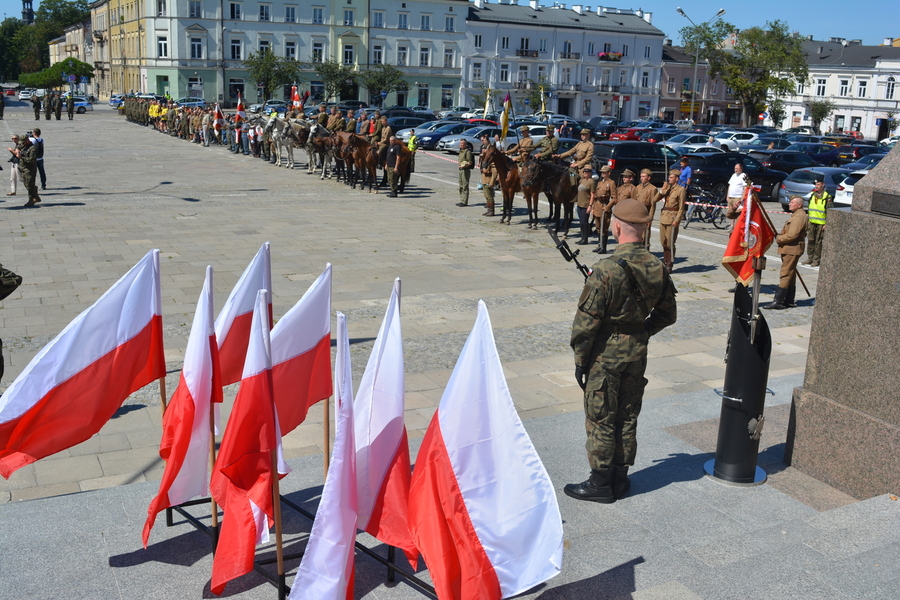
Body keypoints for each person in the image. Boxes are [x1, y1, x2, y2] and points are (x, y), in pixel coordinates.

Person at [567, 198, 678, 503]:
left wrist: (580, 361)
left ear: (615, 226)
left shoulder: (605, 269)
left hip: (605, 356)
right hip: (636, 353)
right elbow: (668, 315)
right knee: (628, 415)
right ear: (645, 229)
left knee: (601, 417)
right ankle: (620, 477)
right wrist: (640, 332)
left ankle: (600, 483)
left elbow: (586, 324)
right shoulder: (658, 267)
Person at [763, 196, 808, 310]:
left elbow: (792, 235)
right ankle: (789, 300)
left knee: (785, 273)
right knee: (791, 274)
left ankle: (778, 301)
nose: (789, 204)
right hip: (791, 248)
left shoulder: (798, 217)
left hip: (792, 248)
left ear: (799, 205)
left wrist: (779, 239)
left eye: (792, 202)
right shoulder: (797, 215)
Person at [657, 168, 687, 273]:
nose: (669, 179)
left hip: (672, 218)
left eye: (671, 177)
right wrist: (662, 190)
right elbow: (654, 199)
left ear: (676, 179)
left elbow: (681, 207)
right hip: (663, 217)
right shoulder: (667, 189)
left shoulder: (681, 190)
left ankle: (669, 264)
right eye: (669, 177)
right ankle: (665, 261)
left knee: (670, 242)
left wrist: (677, 220)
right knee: (663, 242)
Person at [804, 178, 831, 267]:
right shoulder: (812, 195)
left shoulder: (827, 196)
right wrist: (808, 219)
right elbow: (809, 208)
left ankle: (816, 259)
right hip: (812, 222)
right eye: (816, 184)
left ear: (823, 184)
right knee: (811, 240)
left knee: (818, 241)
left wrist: (827, 223)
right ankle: (810, 258)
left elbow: (829, 210)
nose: (816, 186)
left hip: (821, 223)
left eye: (818, 184)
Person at [592, 165, 617, 253]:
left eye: (604, 172)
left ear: (609, 173)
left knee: (604, 228)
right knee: (598, 227)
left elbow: (614, 198)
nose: (602, 174)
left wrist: (608, 207)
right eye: (601, 172)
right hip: (597, 206)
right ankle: (600, 245)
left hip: (604, 207)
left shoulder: (611, 183)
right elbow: (596, 196)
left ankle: (604, 247)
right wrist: (593, 208)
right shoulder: (600, 182)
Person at [633, 169, 660, 250]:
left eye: (644, 176)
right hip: (638, 214)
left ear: (649, 178)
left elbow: (653, 205)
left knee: (645, 234)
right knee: (637, 234)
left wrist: (650, 218)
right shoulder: (638, 187)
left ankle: (646, 251)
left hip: (646, 214)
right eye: (641, 176)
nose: (641, 178)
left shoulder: (652, 189)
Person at [14, 137, 41, 207]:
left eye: (23, 142)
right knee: (26, 184)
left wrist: (21, 157)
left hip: (30, 169)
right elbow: (18, 147)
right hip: (23, 168)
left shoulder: (33, 148)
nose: (22, 144)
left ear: (27, 141)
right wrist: (16, 150)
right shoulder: (24, 146)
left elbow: (31, 159)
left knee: (29, 185)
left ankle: (31, 200)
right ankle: (35, 194)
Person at [576, 167, 597, 245]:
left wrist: (590, 205)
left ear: (590, 173)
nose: (585, 173)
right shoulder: (582, 180)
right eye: (584, 172)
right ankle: (582, 237)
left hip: (586, 204)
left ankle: (585, 238)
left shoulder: (591, 182)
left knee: (585, 222)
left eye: (587, 172)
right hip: (579, 204)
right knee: (581, 222)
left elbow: (592, 194)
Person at [478, 133, 497, 216]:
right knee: (486, 194)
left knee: (489, 195)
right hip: (484, 177)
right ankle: (489, 209)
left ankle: (491, 211)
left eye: (484, 140)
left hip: (489, 178)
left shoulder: (492, 160)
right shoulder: (484, 152)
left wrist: (492, 182)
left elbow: (494, 171)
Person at [457, 139, 474, 207]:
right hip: (461, 169)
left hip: (465, 170)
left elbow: (470, 162)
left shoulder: (467, 152)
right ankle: (461, 199)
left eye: (462, 144)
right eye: (460, 143)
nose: (461, 145)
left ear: (465, 144)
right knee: (461, 185)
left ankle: (465, 201)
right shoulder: (461, 151)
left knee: (465, 185)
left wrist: (464, 165)